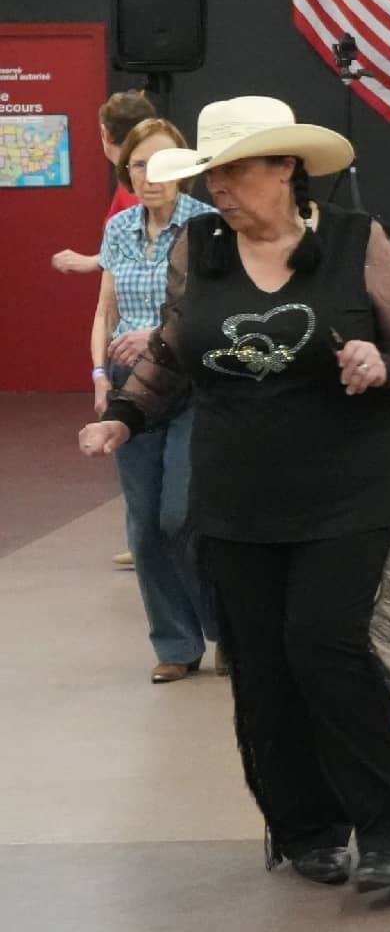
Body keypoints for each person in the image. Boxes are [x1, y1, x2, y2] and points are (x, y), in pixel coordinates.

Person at [78, 95, 390, 890]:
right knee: (259, 661)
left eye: (236, 170)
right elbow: (174, 353)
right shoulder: (200, 246)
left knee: (324, 644)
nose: (218, 187)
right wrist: (122, 417)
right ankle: (306, 828)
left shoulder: (355, 239)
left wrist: (384, 364)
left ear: (286, 166)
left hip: (350, 485)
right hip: (236, 492)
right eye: (210, 173)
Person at [88, 116, 220, 682]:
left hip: (189, 380)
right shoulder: (119, 228)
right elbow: (105, 309)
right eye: (139, 165)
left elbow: (213, 311)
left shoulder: (208, 226)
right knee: (143, 524)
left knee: (180, 515)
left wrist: (159, 335)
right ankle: (175, 643)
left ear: (184, 169)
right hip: (130, 388)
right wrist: (100, 373)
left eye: (163, 165)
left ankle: (226, 627)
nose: (150, 176)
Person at [58, 89, 160, 571]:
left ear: (103, 134)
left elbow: (115, 289)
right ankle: (145, 538)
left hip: (148, 352)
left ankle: (150, 539)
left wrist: (88, 262)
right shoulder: (128, 203)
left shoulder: (130, 198)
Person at [51, 89, 159, 277]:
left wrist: (92, 262)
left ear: (105, 133)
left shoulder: (137, 180)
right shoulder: (140, 174)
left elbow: (152, 246)